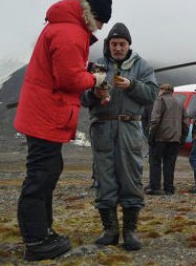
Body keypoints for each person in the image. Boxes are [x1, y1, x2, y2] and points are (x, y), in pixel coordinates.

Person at [14, 0, 112, 261]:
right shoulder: (71, 33)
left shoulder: (65, 26)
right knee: (40, 175)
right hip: (45, 114)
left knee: (49, 170)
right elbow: (68, 80)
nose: (101, 28)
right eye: (102, 22)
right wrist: (95, 80)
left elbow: (67, 66)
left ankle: (44, 232)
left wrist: (87, 67)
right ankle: (36, 241)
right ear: (96, 16)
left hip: (43, 113)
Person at [80, 22, 158, 251]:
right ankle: (110, 231)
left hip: (129, 127)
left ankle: (130, 232)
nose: (117, 48)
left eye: (122, 44)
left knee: (131, 177)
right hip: (103, 128)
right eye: (114, 44)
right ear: (108, 45)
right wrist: (94, 93)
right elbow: (82, 98)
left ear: (128, 45)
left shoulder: (142, 67)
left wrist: (131, 85)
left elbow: (152, 94)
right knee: (104, 177)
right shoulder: (97, 66)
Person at [146, 83, 189, 195]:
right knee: (170, 163)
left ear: (163, 90)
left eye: (160, 89)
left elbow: (155, 120)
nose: (158, 92)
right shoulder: (180, 102)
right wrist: (183, 137)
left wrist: (151, 136)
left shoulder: (160, 100)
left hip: (160, 137)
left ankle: (155, 187)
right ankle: (169, 188)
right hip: (175, 138)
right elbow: (185, 122)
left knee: (155, 162)